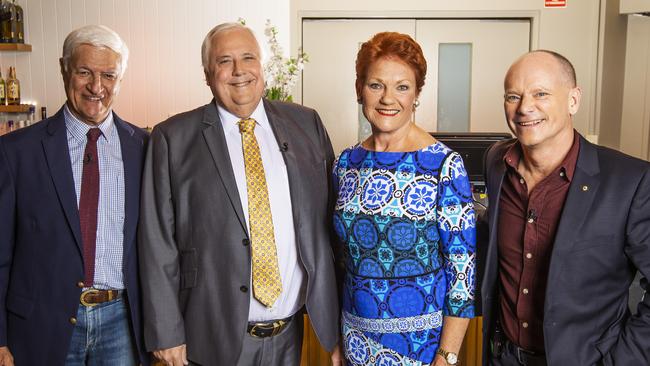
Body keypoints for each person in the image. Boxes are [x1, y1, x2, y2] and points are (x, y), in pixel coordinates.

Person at [138, 22, 340, 366]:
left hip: (291, 335)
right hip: (212, 336)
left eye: (248, 58)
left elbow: (332, 223)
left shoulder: (307, 124)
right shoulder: (172, 139)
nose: (239, 71)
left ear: (261, 66)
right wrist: (165, 331)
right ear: (207, 74)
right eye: (224, 61)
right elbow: (157, 242)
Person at [481, 50, 650, 365]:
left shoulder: (631, 181)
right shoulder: (496, 163)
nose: (524, 108)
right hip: (502, 356)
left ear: (574, 100)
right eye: (512, 96)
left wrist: (622, 360)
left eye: (541, 93)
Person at [0, 25, 149, 365]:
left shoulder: (145, 148)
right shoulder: (15, 152)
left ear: (120, 79)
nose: (97, 87)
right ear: (63, 68)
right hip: (40, 326)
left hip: (122, 325)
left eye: (108, 75)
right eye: (84, 72)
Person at [332, 32, 476, 366]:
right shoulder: (345, 162)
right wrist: (337, 339)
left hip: (419, 346)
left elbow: (462, 273)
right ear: (359, 89)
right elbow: (339, 260)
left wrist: (447, 355)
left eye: (402, 86)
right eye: (376, 85)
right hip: (354, 337)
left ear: (416, 95)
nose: (387, 99)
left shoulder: (443, 165)